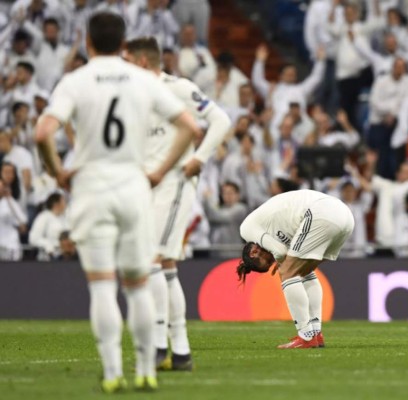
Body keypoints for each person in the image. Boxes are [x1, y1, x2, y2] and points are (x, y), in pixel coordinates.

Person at [34, 12, 199, 392]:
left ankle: (112, 373)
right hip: (132, 186)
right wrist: (159, 172)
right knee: (139, 285)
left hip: (92, 188)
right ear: (123, 44)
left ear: (87, 41)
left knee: (102, 287)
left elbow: (44, 130)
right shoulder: (143, 80)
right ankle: (146, 369)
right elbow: (191, 126)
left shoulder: (76, 81)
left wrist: (58, 169)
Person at [123, 36, 231, 372]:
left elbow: (221, 120)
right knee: (166, 266)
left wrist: (199, 158)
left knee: (152, 259)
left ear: (142, 62)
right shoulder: (134, 96)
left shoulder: (178, 88)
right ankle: (180, 352)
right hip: (147, 186)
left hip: (175, 184)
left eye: (127, 60)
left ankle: (156, 346)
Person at [238, 190, 354, 349]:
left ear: (254, 252)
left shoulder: (246, 229)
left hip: (322, 212)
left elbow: (279, 252)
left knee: (286, 272)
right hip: (345, 216)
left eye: (268, 261)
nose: (273, 261)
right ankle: (315, 333)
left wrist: (281, 265)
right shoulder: (272, 229)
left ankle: (306, 336)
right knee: (305, 273)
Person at [28, 191, 68, 260]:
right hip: (48, 258)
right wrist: (48, 244)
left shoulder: (65, 218)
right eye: (63, 202)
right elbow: (33, 239)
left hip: (65, 257)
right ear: (56, 204)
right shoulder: (43, 217)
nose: (65, 205)